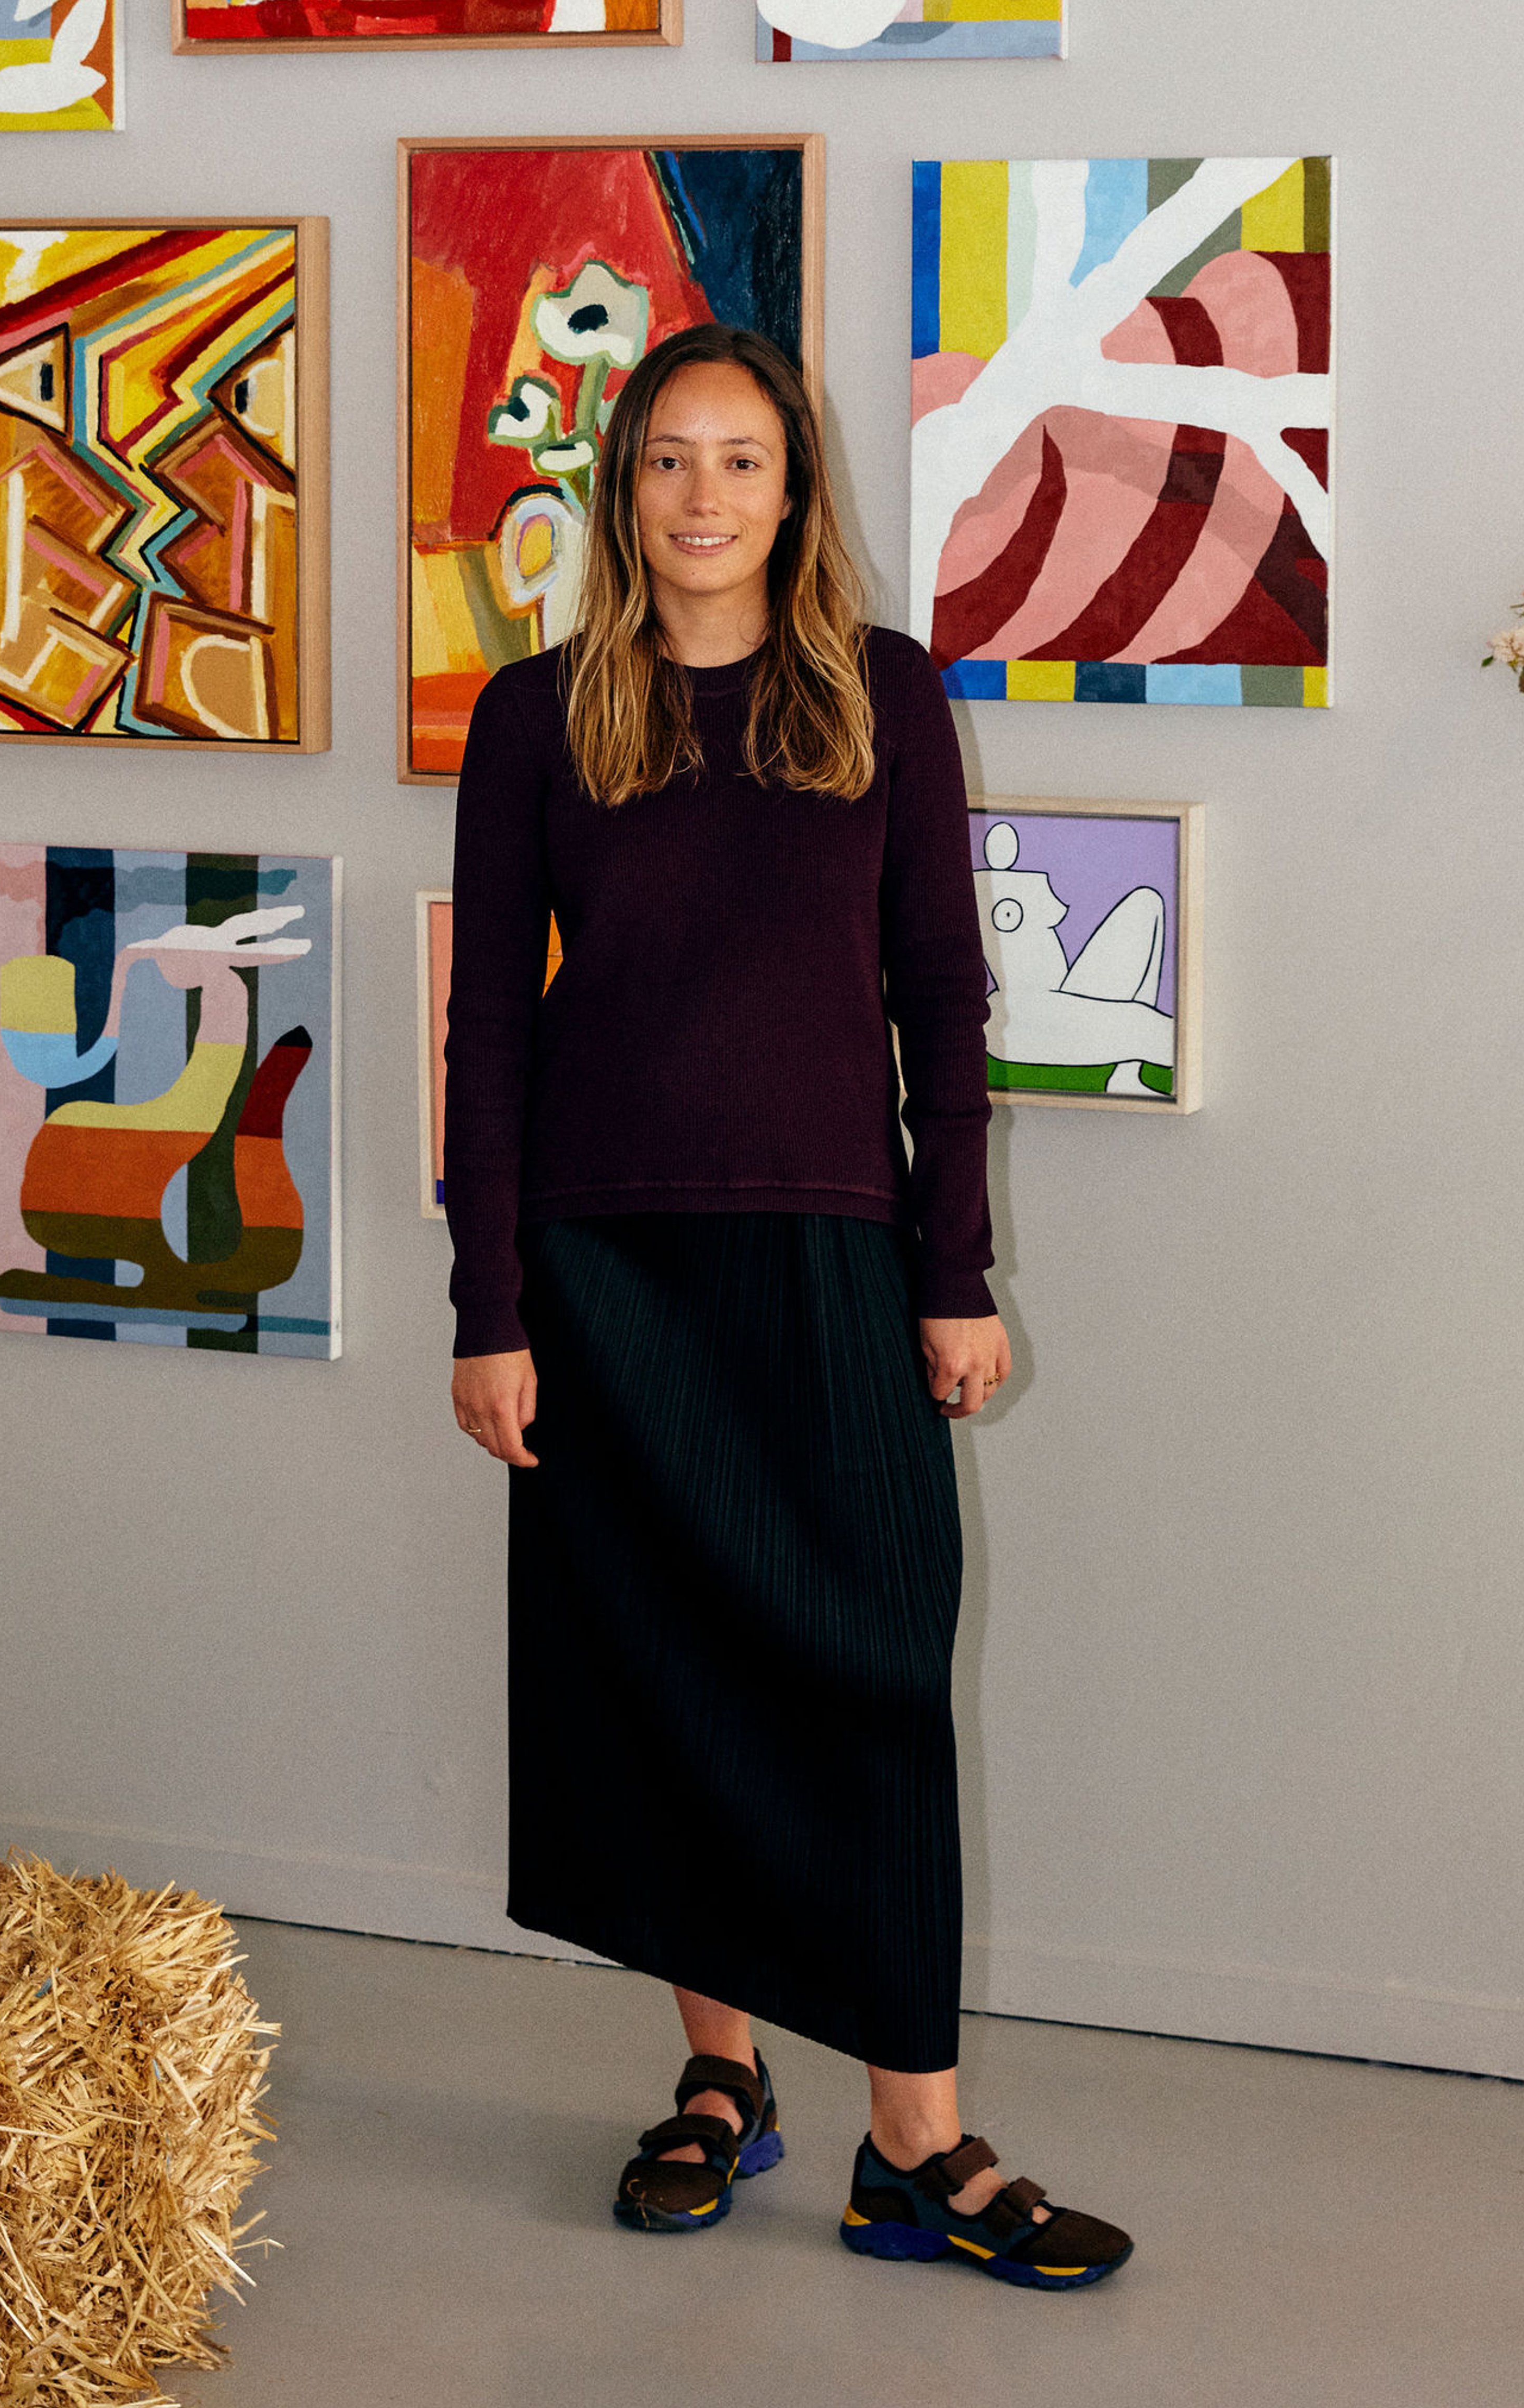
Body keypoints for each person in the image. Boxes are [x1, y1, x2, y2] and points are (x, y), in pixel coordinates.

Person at [444, 321, 1132, 2289]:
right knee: (659, 1676)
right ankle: (719, 2084)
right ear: (621, 489)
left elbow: (947, 1006)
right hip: (601, 1266)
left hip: (830, 1245)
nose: (703, 499)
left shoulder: (886, 701)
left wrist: (957, 1274)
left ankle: (911, 2145)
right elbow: (490, 1029)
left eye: (742, 462)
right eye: (668, 461)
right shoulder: (536, 716)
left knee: (872, 1676)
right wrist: (490, 1305)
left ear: (797, 489)